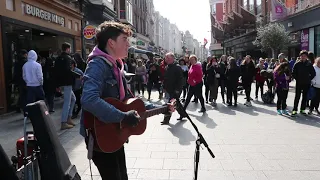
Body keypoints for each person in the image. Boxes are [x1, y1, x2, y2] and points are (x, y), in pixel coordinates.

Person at [80, 21, 174, 180]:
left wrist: (162, 107)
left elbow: (129, 100)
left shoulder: (116, 67)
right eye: (124, 39)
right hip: (100, 135)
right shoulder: (97, 65)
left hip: (114, 133)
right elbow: (88, 99)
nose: (128, 44)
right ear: (111, 42)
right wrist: (122, 116)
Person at [55, 42, 76, 129]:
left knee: (73, 99)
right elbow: (68, 71)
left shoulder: (58, 58)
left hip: (61, 82)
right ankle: (64, 122)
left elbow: (54, 72)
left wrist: (56, 84)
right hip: (67, 82)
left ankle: (68, 118)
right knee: (67, 102)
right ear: (68, 49)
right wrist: (78, 75)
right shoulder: (68, 58)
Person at [178, 55, 206, 120]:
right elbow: (190, 74)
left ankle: (203, 107)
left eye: (193, 60)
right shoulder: (191, 66)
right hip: (191, 84)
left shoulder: (198, 66)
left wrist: (195, 80)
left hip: (197, 84)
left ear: (196, 60)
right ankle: (183, 112)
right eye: (191, 60)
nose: (192, 61)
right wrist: (189, 80)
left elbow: (200, 75)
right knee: (188, 97)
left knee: (199, 96)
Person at [291, 50, 316, 116]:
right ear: (300, 56)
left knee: (304, 97)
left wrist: (309, 79)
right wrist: (297, 79)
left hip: (307, 83)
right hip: (299, 83)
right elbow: (293, 73)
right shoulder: (297, 64)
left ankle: (302, 109)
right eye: (302, 56)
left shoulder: (309, 64)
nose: (303, 57)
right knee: (297, 97)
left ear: (307, 57)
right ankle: (294, 110)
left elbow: (313, 73)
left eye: (304, 56)